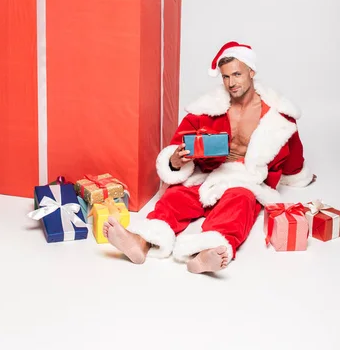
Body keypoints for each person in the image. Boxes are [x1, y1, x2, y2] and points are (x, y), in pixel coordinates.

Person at [103, 41, 315, 273]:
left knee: (240, 203)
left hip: (246, 178)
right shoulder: (207, 109)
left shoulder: (279, 116)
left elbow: (294, 155)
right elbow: (178, 145)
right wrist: (175, 162)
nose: (231, 83)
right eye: (226, 77)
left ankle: (208, 252)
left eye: (237, 74)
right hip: (209, 173)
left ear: (251, 72)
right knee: (177, 196)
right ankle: (140, 242)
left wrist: (298, 176)